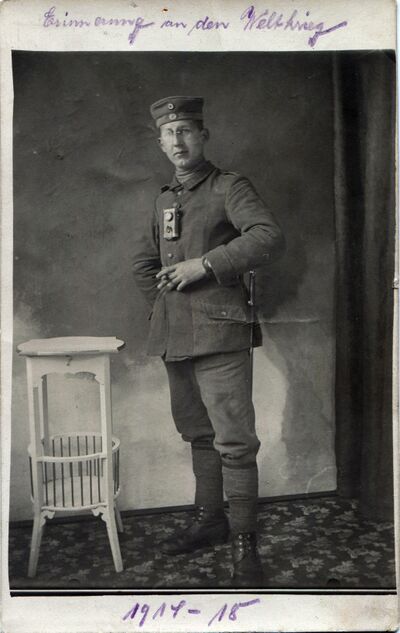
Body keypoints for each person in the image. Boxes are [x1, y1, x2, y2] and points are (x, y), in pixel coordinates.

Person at [132, 95, 285, 587]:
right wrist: (163, 307)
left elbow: (267, 236)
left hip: (220, 331)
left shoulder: (229, 186)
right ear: (160, 143)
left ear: (203, 136)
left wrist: (205, 265)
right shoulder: (162, 200)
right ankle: (210, 521)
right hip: (175, 336)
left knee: (234, 441)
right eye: (169, 133)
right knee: (198, 434)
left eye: (186, 131)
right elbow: (143, 264)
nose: (177, 141)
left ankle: (244, 542)